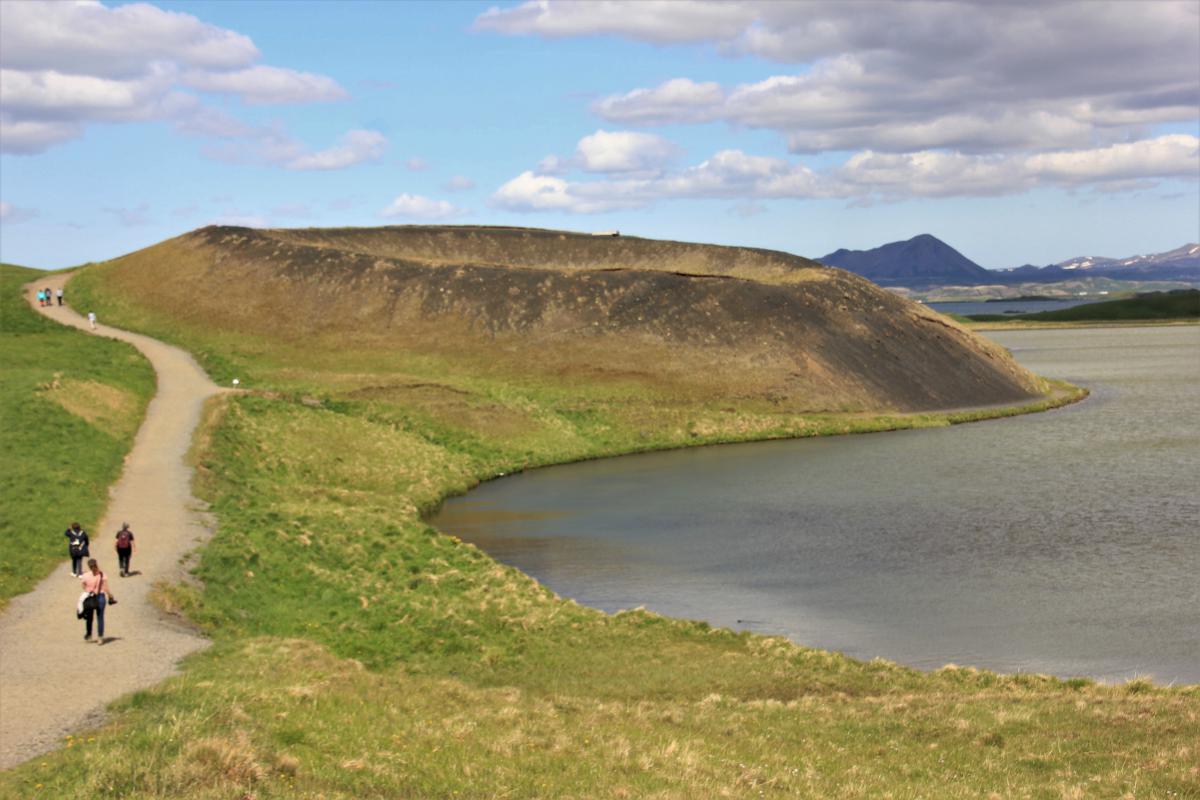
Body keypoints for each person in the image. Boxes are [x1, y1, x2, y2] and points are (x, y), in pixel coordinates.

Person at [79, 559, 114, 643]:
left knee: (89, 617)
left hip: (90, 597)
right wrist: (110, 596)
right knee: (100, 617)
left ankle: (89, 635)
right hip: (100, 597)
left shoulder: (85, 575)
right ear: (96, 564)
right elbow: (105, 587)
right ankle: (100, 637)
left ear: (89, 566)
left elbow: (83, 585)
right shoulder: (102, 574)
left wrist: (88, 590)